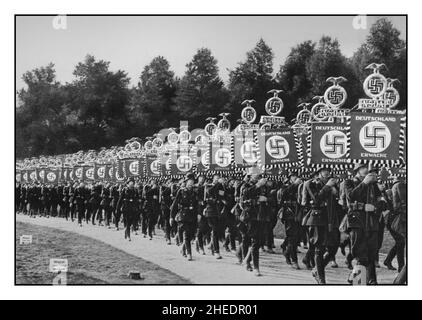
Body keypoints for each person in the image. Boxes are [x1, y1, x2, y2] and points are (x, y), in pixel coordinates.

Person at [344, 164, 386, 285]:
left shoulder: (373, 185)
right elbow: (350, 198)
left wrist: (377, 206)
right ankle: (358, 283)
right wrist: (364, 184)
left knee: (372, 254)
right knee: (361, 255)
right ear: (357, 170)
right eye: (364, 168)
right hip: (357, 222)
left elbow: (381, 201)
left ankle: (370, 280)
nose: (367, 170)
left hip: (372, 223)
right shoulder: (349, 182)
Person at [302, 167, 337, 284]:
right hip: (317, 218)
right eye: (323, 170)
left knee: (333, 247)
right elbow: (316, 200)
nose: (327, 172)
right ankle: (321, 278)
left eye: (328, 169)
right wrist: (327, 187)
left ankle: (317, 269)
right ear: (318, 172)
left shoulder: (332, 184)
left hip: (331, 218)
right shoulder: (311, 184)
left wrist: (334, 191)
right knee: (319, 248)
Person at [170, 173, 198, 261]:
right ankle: (189, 253)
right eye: (189, 181)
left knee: (190, 235)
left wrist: (199, 214)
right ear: (186, 182)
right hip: (183, 215)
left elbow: (197, 204)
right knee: (186, 234)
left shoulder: (195, 191)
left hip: (192, 215)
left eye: (192, 181)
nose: (190, 183)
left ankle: (183, 248)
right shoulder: (181, 191)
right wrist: (171, 216)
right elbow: (174, 205)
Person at [279, 172, 302, 269]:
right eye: (293, 176)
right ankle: (294, 259)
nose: (296, 178)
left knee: (298, 236)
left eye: (297, 176)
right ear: (290, 178)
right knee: (292, 236)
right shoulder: (286, 186)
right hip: (289, 214)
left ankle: (286, 249)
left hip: (299, 213)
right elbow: (283, 194)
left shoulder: (301, 186)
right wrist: (294, 184)